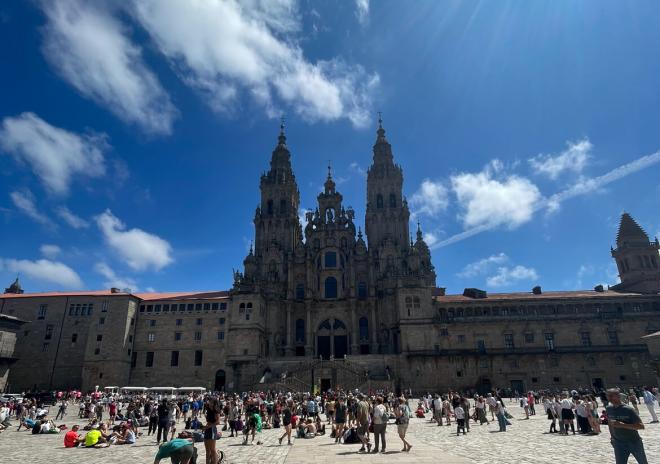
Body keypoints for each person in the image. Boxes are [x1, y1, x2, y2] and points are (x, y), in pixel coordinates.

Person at [606, 388, 648, 464]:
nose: (609, 398)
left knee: (643, 462)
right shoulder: (609, 409)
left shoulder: (628, 409)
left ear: (618, 396)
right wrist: (612, 437)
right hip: (619, 443)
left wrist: (623, 425)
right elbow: (610, 424)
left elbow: (641, 426)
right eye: (608, 396)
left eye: (611, 396)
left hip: (634, 442)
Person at [203, 398, 220, 464]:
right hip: (207, 428)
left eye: (210, 401)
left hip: (212, 429)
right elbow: (209, 420)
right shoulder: (208, 409)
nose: (209, 402)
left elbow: (218, 422)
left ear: (214, 403)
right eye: (209, 401)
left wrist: (207, 427)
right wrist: (204, 427)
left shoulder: (215, 410)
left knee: (212, 450)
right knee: (207, 450)